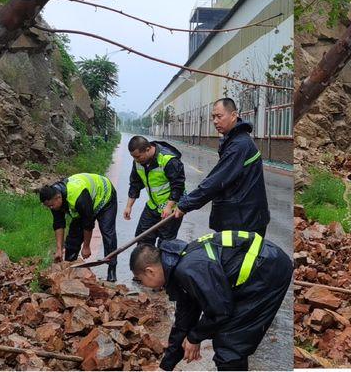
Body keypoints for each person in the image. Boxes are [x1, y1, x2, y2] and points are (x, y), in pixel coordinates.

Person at [129, 231, 292, 371]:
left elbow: (220, 311)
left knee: (230, 345)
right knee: (225, 340)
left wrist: (195, 337)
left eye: (140, 280)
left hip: (268, 270)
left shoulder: (189, 269)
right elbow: (185, 319)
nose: (144, 286)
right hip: (261, 266)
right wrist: (166, 366)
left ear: (149, 271)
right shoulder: (177, 266)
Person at [173, 98, 269, 237]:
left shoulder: (239, 145)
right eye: (213, 117)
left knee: (240, 258)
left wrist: (185, 204)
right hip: (241, 217)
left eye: (219, 116)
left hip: (244, 223)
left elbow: (216, 181)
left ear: (234, 115)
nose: (215, 121)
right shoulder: (234, 140)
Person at [39, 173, 118, 281]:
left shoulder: (77, 196)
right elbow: (59, 224)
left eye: (52, 205)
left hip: (104, 197)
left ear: (58, 197)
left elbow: (88, 223)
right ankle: (69, 269)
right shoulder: (54, 199)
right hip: (85, 206)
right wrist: (59, 249)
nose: (51, 208)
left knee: (107, 232)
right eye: (49, 206)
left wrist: (86, 246)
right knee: (73, 238)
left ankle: (112, 270)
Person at [123, 135, 185, 246]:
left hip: (171, 208)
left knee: (165, 244)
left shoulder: (169, 160)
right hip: (153, 206)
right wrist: (129, 206)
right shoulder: (138, 163)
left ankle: (162, 262)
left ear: (148, 149)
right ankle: (146, 262)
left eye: (138, 157)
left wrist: (169, 207)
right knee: (142, 239)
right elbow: (135, 184)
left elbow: (178, 186)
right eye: (134, 157)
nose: (136, 160)